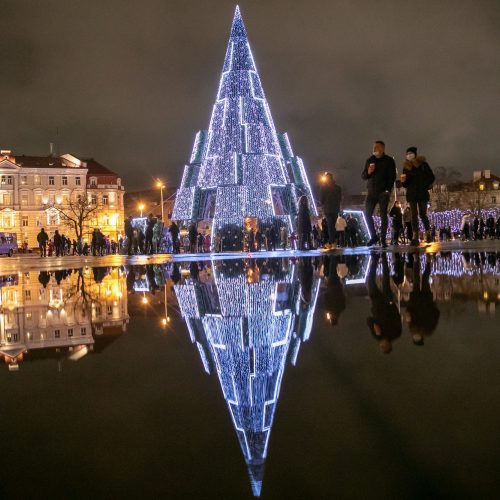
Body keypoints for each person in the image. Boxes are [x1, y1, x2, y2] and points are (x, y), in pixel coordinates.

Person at [361, 141, 396, 247]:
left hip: (382, 192)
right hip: (371, 192)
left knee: (383, 215)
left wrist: (387, 190)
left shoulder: (389, 161)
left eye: (377, 147)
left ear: (382, 149)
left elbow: (392, 176)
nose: (374, 149)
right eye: (374, 147)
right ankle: (374, 236)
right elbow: (363, 176)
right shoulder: (370, 160)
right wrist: (368, 172)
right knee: (367, 214)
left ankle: (383, 239)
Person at [366, 253, 402, 354]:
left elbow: (368, 320)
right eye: (384, 346)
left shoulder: (377, 336)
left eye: (381, 346)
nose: (382, 343)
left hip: (376, 304)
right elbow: (397, 317)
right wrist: (391, 304)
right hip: (387, 303)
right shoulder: (395, 334)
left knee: (370, 281)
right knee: (385, 280)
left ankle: (375, 260)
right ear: (389, 345)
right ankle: (384, 258)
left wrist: (374, 325)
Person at [400, 146, 435, 245]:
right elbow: (405, 184)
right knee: (413, 215)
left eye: (410, 153)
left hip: (422, 193)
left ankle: (428, 233)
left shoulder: (423, 164)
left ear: (415, 154)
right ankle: (415, 236)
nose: (408, 155)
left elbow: (431, 177)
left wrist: (424, 185)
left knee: (423, 214)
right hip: (411, 194)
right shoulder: (406, 167)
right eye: (407, 154)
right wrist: (403, 182)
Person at [405, 253, 440, 346]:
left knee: (422, 279)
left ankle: (424, 261)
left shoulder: (427, 329)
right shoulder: (418, 328)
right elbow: (409, 315)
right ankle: (419, 260)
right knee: (419, 279)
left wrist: (433, 305)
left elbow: (436, 314)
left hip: (423, 300)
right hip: (419, 300)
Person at [319, 173, 342, 249]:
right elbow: (340, 199)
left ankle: (332, 242)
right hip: (335, 209)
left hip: (328, 209)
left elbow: (321, 200)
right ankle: (333, 242)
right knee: (332, 226)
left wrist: (323, 203)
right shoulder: (338, 188)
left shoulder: (324, 188)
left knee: (330, 226)